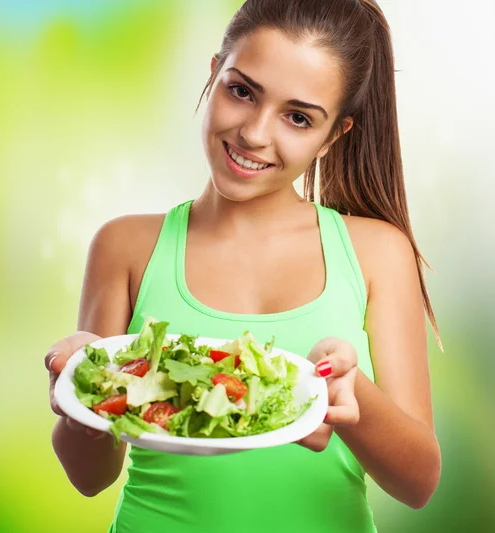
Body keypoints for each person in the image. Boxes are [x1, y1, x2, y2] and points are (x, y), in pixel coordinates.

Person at [45, 1, 442, 531]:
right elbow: (90, 478)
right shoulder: (124, 246)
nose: (254, 133)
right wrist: (81, 401)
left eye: (298, 117)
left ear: (334, 135)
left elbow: (418, 483)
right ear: (214, 75)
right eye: (242, 90)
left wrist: (353, 397)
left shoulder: (376, 252)